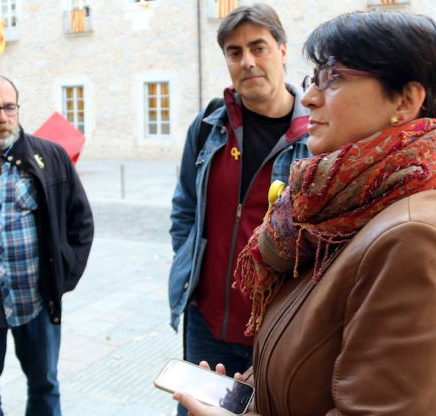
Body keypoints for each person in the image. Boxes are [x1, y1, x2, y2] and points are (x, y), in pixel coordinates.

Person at [174, 10, 436, 416]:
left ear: (406, 100)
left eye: (335, 78)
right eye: (314, 79)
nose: (310, 98)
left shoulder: (419, 241)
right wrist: (255, 396)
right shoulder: (346, 204)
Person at [168, 4, 310, 414]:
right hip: (207, 320)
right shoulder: (210, 126)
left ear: (282, 50)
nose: (246, 61)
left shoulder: (315, 138)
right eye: (234, 52)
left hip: (274, 325)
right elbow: (184, 209)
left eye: (258, 47)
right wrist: (190, 269)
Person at [0, 75, 94, 416]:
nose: (2, 117)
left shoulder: (48, 156)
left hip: (36, 302)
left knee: (44, 385)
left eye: (9, 107)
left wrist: (62, 278)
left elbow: (81, 222)